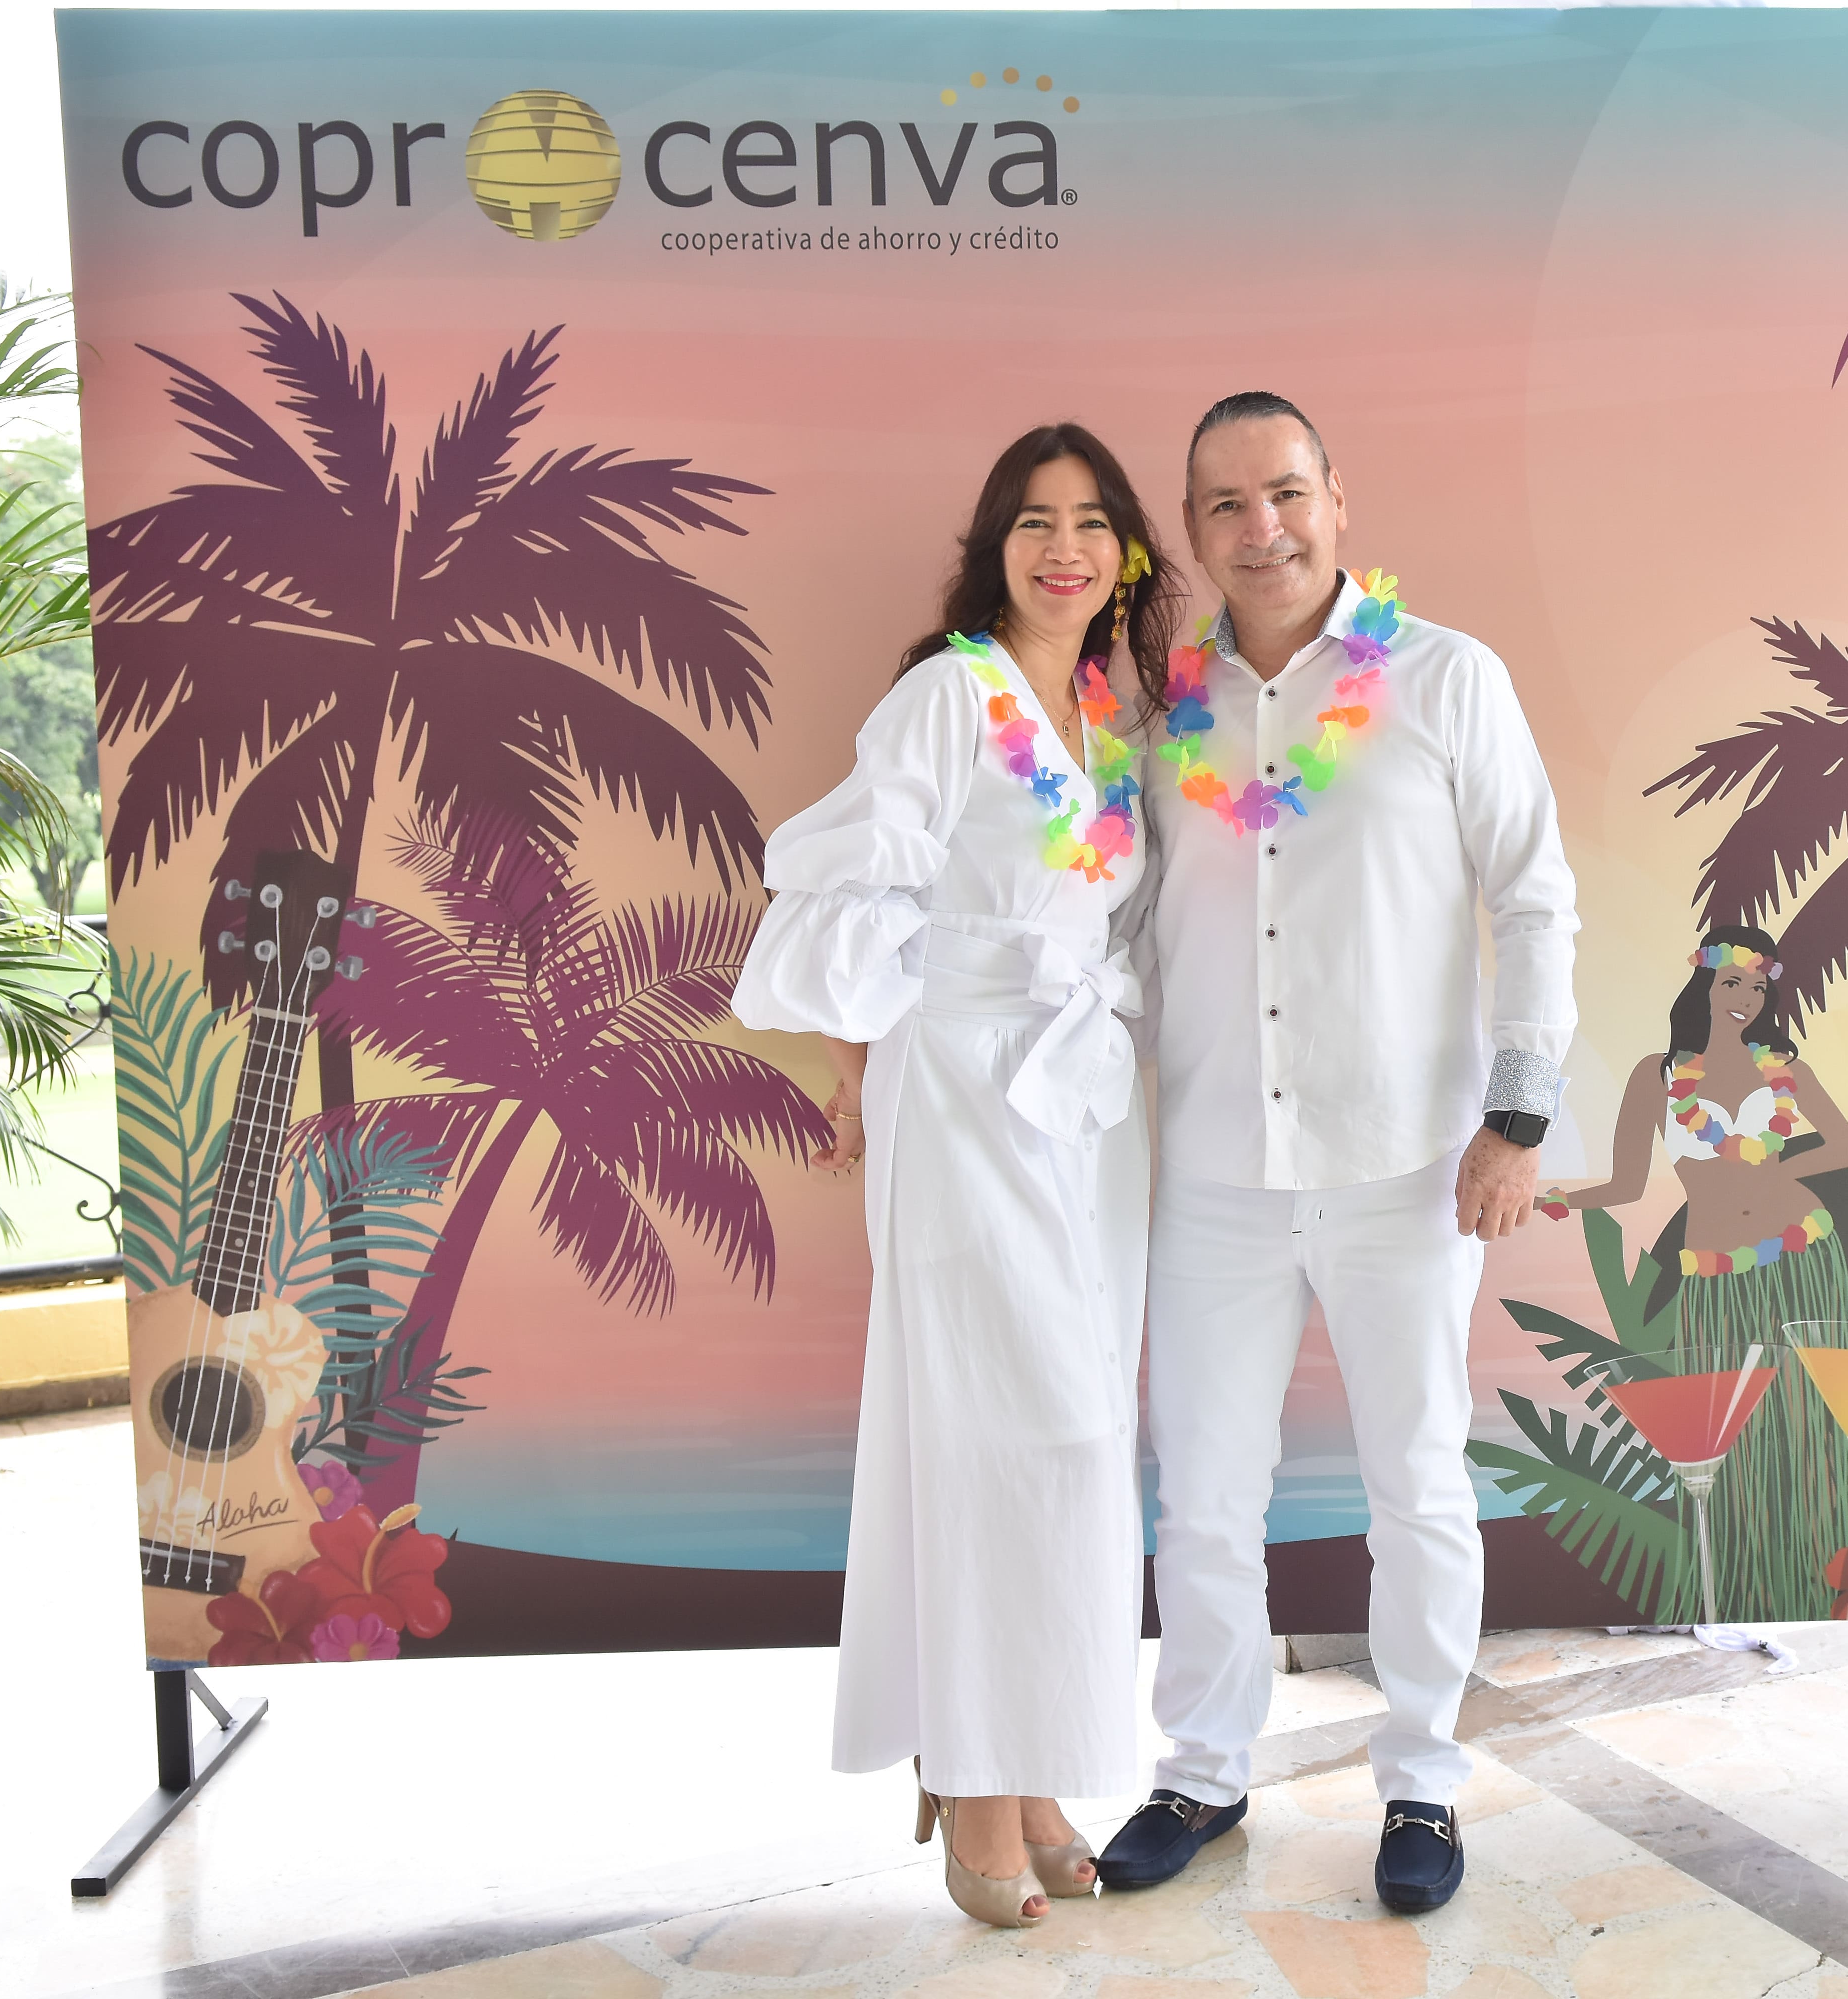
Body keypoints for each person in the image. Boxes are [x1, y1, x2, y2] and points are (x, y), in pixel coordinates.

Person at [1097, 392, 1578, 1916]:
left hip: (1405, 1164)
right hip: (1216, 1169)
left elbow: (1534, 897)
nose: (1263, 528)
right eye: (1226, 505)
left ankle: (1423, 1780)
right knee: (1204, 1493)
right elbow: (1120, 932)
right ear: (1192, 532)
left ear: (1337, 499)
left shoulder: (1446, 678)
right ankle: (1201, 1767)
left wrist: (1516, 1117)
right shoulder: (1161, 722)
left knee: (1418, 1481)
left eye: (1287, 493)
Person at [730, 425, 1174, 1929]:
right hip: (972, 1093)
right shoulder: (951, 695)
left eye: (1093, 522)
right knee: (999, 1426)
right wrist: (862, 1058)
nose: (1066, 548)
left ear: (1126, 556)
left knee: (1078, 1434)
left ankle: (1030, 1770)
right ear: (995, 549)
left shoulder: (1109, 717)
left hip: (1088, 1105)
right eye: (1036, 522)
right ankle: (979, 1784)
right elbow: (845, 891)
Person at [1539, 923, 1848, 1621]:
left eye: (1758, 988)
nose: (1745, 998)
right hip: (1716, 1276)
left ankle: (1822, 1584)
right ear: (1703, 984)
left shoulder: (1786, 1071)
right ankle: (1747, 1592)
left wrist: (1783, 1170)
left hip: (1803, 1256)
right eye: (1731, 983)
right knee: (1733, 1436)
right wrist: (1561, 1199)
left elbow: (1844, 1147)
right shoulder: (1657, 1077)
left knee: (1807, 1427)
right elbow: (1627, 1184)